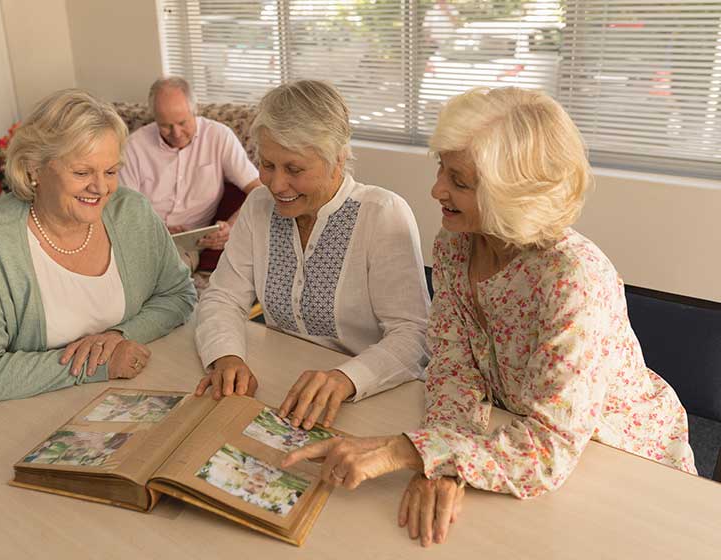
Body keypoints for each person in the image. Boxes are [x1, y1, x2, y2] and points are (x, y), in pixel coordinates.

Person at [283, 87, 696, 547]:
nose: (437, 189)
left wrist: (409, 450)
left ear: (514, 193)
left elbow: (548, 450)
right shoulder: (457, 242)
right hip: (516, 434)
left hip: (624, 462)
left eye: (460, 181)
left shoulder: (574, 278)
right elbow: (454, 367)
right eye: (441, 167)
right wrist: (441, 455)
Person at [194, 80, 430, 430]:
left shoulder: (382, 213)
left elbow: (414, 335)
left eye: (294, 169)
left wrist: (345, 378)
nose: (275, 185)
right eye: (267, 164)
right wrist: (225, 355)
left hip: (366, 399)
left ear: (337, 158)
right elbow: (223, 297)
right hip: (277, 386)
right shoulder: (259, 205)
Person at [0, 89, 197, 403]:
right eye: (82, 172)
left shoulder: (133, 212)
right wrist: (96, 365)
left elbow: (179, 294)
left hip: (132, 393)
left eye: (110, 171)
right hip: (28, 414)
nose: (101, 188)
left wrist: (119, 337)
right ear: (35, 169)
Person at [118, 76, 261, 265]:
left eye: (182, 123)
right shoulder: (135, 146)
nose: (176, 133)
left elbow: (258, 189)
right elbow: (124, 208)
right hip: (143, 236)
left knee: (166, 271)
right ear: (155, 119)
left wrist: (232, 227)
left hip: (187, 244)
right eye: (166, 126)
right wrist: (156, 229)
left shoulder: (218, 137)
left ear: (195, 111)